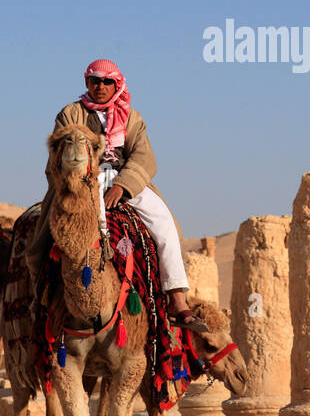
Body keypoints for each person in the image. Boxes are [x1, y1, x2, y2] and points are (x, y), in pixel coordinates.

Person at [28, 58, 198, 326]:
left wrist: (122, 186)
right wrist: (81, 181)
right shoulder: (71, 114)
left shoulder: (131, 117)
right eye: (95, 81)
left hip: (124, 180)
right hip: (82, 182)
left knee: (165, 224)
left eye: (107, 81)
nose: (101, 86)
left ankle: (177, 299)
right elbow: (59, 151)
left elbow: (143, 156)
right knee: (49, 231)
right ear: (87, 83)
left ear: (117, 84)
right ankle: (40, 293)